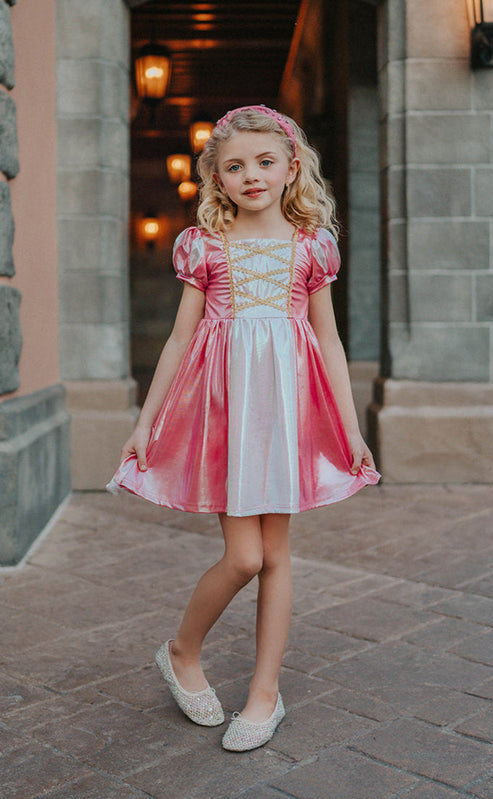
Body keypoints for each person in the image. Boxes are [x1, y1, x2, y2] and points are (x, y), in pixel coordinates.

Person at [107, 105, 380, 752]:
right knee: (244, 556)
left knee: (277, 554)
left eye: (264, 161)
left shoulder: (310, 245)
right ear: (216, 179)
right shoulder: (206, 246)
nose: (250, 174)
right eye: (234, 166)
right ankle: (181, 651)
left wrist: (349, 427)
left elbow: (328, 340)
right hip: (228, 410)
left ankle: (264, 693)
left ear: (291, 167)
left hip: (287, 411)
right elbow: (178, 340)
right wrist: (144, 422)